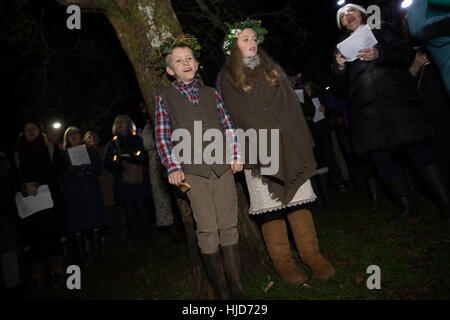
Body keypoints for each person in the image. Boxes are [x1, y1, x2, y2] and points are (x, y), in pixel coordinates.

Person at [217, 19, 335, 286]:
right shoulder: (227, 77)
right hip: (258, 148)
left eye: (253, 38)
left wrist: (288, 132)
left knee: (298, 200)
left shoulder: (272, 69)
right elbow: (238, 114)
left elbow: (289, 104)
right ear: (233, 47)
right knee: (270, 208)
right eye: (244, 39)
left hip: (287, 143)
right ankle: (283, 261)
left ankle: (312, 254)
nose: (251, 43)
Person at [334, 3, 450, 223]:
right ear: (341, 25)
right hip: (366, 112)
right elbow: (340, 91)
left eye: (352, 11)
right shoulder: (341, 49)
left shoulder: (383, 30)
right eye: (343, 16)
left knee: (417, 149)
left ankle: (445, 203)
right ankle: (408, 207)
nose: (348, 16)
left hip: (397, 100)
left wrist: (380, 53)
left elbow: (406, 54)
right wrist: (339, 69)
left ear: (362, 14)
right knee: (381, 159)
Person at [154, 34, 248, 299]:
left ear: (197, 63)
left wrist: (235, 153)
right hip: (192, 173)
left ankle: (237, 287)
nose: (186, 63)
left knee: (229, 225)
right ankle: (220, 292)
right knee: (207, 228)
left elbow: (228, 126)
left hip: (222, 168)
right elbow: (162, 137)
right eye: (179, 61)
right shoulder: (164, 99)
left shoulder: (211, 93)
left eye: (190, 58)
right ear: (170, 70)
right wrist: (172, 166)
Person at [15, 120, 66, 294]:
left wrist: (39, 183)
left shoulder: (48, 148)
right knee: (34, 239)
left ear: (39, 130)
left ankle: (58, 272)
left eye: (33, 128)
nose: (30, 131)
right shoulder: (17, 153)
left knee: (52, 236)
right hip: (29, 204)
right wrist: (24, 186)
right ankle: (37, 276)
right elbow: (12, 177)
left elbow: (58, 170)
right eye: (26, 128)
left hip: (49, 201)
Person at [104, 115, 153, 242]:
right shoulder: (113, 144)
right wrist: (117, 164)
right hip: (122, 182)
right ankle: (135, 237)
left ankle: (147, 236)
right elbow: (107, 162)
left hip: (139, 181)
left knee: (141, 207)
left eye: (122, 122)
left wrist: (134, 159)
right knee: (129, 210)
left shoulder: (137, 139)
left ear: (128, 124)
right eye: (117, 122)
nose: (119, 124)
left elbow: (145, 156)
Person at [62, 127, 107, 265]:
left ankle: (97, 256)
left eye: (75, 133)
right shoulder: (63, 156)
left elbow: (98, 168)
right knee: (78, 225)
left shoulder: (90, 151)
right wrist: (73, 174)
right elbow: (61, 174)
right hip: (74, 193)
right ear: (66, 138)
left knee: (93, 222)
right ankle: (83, 258)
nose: (73, 136)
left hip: (90, 190)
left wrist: (83, 169)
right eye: (70, 134)